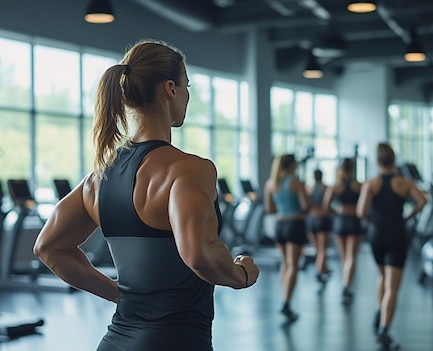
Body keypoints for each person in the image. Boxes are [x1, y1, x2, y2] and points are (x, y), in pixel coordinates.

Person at [32, 39, 259, 351]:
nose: (188, 96)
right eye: (186, 85)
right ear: (170, 89)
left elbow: (48, 247)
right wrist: (241, 273)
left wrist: (115, 292)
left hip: (115, 341)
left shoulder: (98, 178)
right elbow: (198, 256)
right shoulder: (188, 170)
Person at [356, 143, 428, 350]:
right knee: (393, 286)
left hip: (376, 234)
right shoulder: (404, 183)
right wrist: (407, 217)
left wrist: (375, 220)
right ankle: (384, 329)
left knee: (382, 277)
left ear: (378, 161)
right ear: (394, 159)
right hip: (396, 232)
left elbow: (361, 212)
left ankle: (380, 310)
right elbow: (422, 201)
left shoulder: (371, 183)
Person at [264, 154, 309, 322]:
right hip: (294, 225)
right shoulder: (295, 182)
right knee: (293, 266)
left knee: (285, 263)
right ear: (291, 165)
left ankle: (285, 297)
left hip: (280, 225)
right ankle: (286, 303)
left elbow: (269, 207)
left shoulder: (271, 184)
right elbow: (305, 206)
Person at [323, 158, 363, 304]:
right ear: (353, 169)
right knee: (351, 258)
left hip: (340, 222)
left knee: (345, 257)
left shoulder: (335, 186)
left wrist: (337, 210)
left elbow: (326, 206)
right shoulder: (358, 186)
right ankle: (346, 286)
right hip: (354, 221)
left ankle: (345, 283)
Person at [306, 169, 333, 285]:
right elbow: (327, 206)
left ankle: (324, 268)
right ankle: (320, 272)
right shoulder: (326, 188)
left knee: (318, 249)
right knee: (322, 250)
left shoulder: (308, 188)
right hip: (322, 219)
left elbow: (305, 205)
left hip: (311, 220)